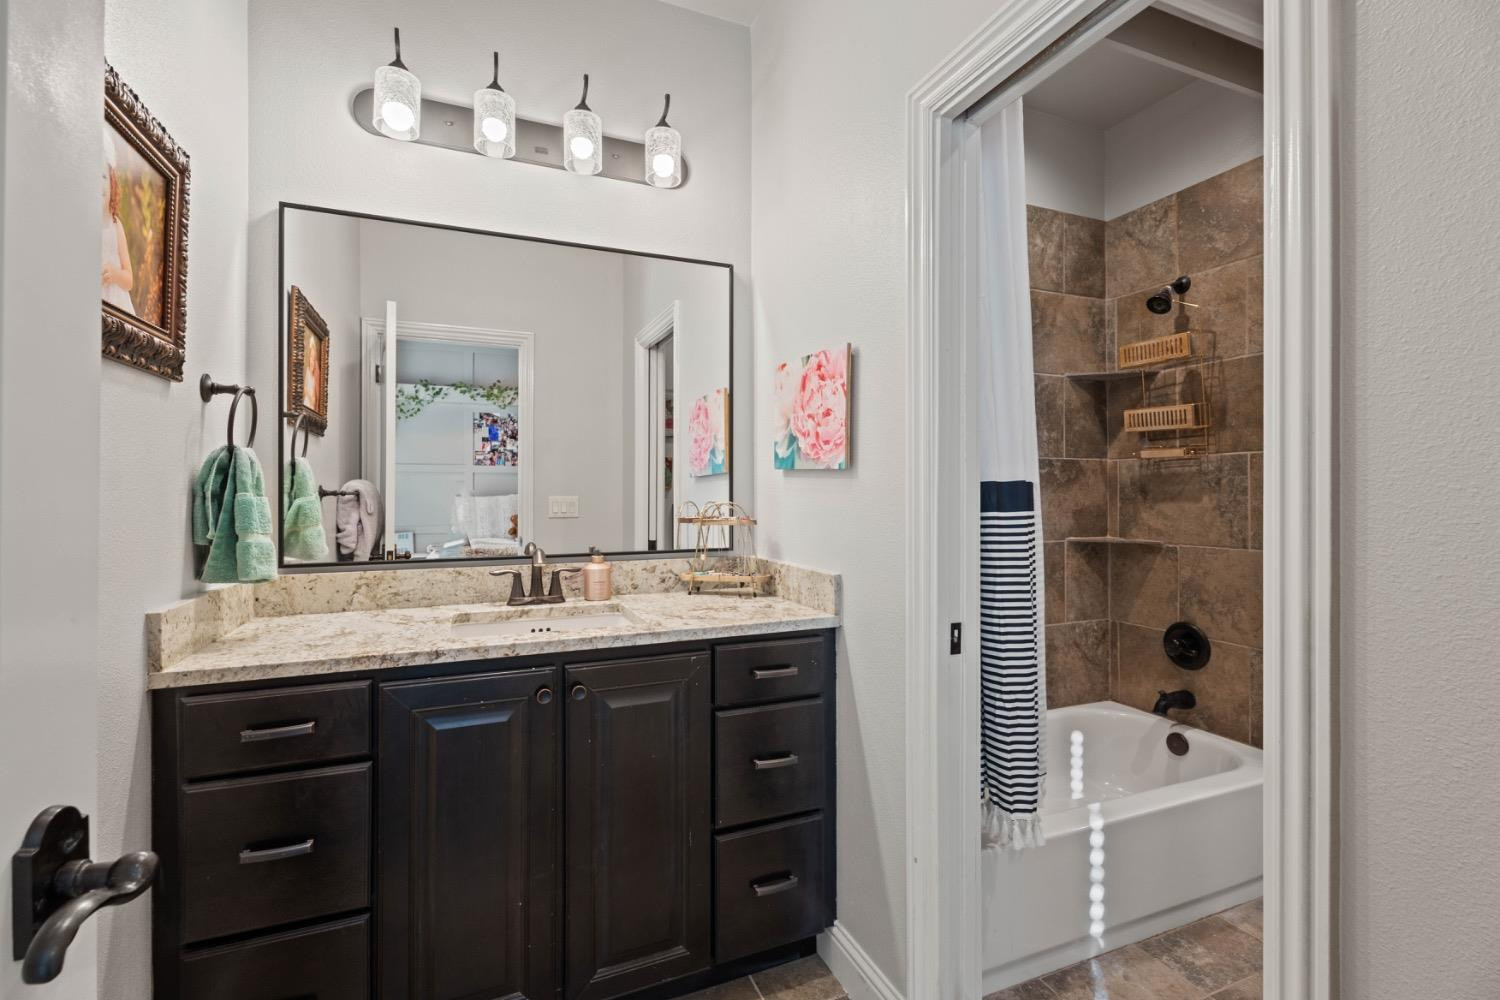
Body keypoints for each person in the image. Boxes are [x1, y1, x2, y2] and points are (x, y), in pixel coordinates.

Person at [102, 130, 135, 313]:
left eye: (104, 177)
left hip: (116, 304)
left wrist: (114, 274)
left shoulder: (115, 225)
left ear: (112, 183)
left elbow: (129, 280)